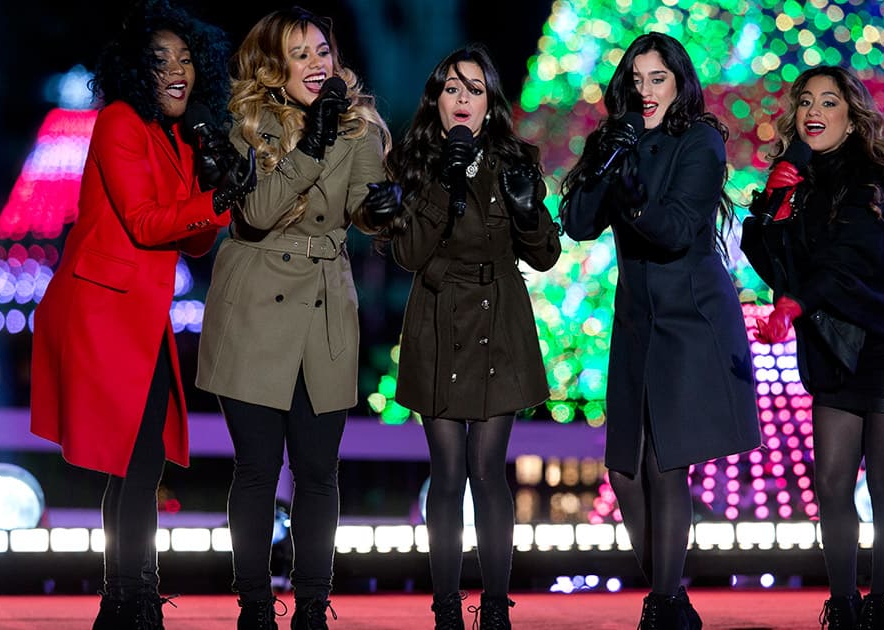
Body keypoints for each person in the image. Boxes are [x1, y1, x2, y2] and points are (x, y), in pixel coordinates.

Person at [28, 1, 252, 628]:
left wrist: (217, 193)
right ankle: (136, 596)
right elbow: (146, 222)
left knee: (138, 459)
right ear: (135, 72)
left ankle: (122, 598)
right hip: (103, 311)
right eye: (161, 63)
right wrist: (219, 198)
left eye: (185, 60)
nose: (177, 72)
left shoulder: (178, 135)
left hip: (137, 314)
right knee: (136, 458)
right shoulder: (121, 122)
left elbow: (194, 239)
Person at [195, 6, 390, 630]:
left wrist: (384, 208)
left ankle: (312, 604)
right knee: (256, 467)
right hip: (254, 302)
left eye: (323, 51)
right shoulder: (245, 122)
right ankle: (255, 605)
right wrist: (313, 143)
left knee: (318, 470)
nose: (316, 63)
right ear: (275, 66)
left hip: (326, 306)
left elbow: (362, 210)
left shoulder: (359, 126)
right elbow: (257, 212)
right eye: (300, 53)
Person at [559, 32, 761, 630]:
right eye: (638, 79)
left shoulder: (699, 140)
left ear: (679, 83)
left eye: (659, 79)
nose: (646, 91)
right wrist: (604, 163)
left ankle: (665, 600)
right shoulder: (616, 138)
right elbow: (576, 222)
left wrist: (632, 195)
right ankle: (670, 595)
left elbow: (674, 229)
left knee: (667, 462)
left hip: (689, 316)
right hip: (637, 319)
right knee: (624, 469)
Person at [362, 44, 560, 630]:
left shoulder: (514, 159)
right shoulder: (414, 161)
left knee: (487, 468)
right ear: (437, 100)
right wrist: (443, 187)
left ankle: (495, 607)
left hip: (499, 320)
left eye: (475, 88)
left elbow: (545, 255)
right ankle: (447, 606)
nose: (463, 98)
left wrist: (528, 212)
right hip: (438, 317)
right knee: (447, 472)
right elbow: (409, 253)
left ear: (489, 101)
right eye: (453, 88)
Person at [741, 66, 884, 630]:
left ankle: (880, 605)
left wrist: (794, 307)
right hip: (833, 343)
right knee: (830, 480)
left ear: (851, 121)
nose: (814, 111)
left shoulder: (866, 182)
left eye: (829, 102)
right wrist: (772, 206)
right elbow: (765, 256)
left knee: (881, 477)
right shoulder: (793, 182)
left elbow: (845, 264)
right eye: (806, 101)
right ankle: (844, 605)